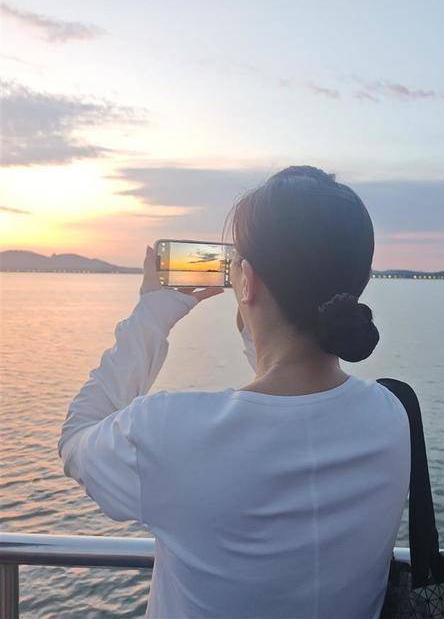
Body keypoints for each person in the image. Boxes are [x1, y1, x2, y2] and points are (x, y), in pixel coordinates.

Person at [59, 166, 410, 618]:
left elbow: (77, 438)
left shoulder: (170, 432)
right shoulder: (390, 416)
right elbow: (292, 400)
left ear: (247, 279)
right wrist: (256, 317)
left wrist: (153, 312)